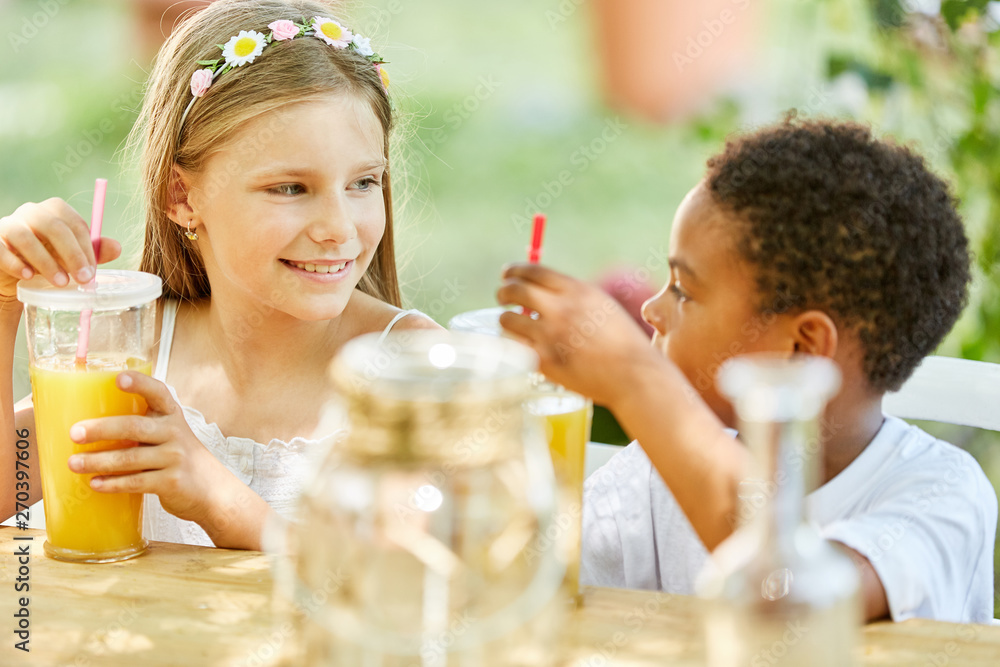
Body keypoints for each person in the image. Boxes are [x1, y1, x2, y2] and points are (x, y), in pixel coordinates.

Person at [496, 117, 997, 623]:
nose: (650, 310)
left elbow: (792, 596)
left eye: (684, 291)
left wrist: (635, 378)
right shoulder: (655, 477)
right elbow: (514, 576)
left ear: (801, 348)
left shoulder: (941, 493)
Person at [0, 0, 437, 550]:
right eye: (290, 188)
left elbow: (405, 582)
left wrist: (214, 496)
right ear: (182, 197)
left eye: (364, 183)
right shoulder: (137, 347)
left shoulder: (419, 369)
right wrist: (3, 302)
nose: (339, 228)